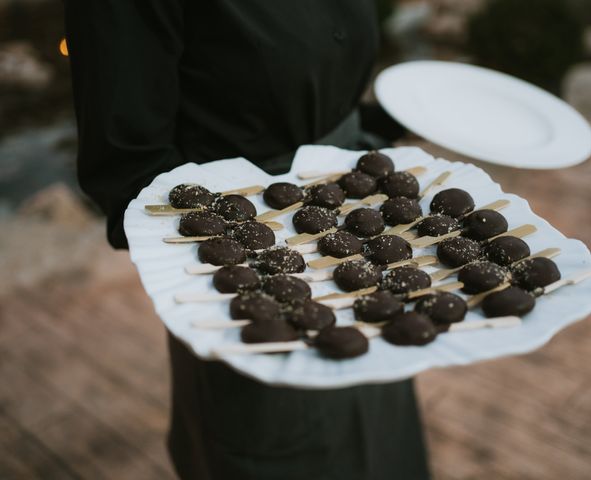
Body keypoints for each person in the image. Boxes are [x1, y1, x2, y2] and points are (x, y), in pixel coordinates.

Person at [64, 2, 430, 479]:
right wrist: (252, 247)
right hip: (243, 268)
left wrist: (369, 127)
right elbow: (127, 169)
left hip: (360, 239)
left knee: (382, 441)